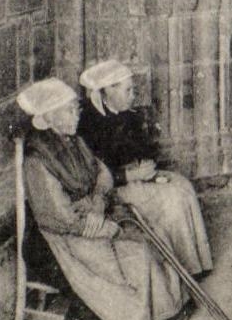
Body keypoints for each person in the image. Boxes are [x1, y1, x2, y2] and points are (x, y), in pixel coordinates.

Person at [18, 78, 191, 320]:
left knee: (146, 239)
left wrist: (99, 202)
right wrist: (96, 224)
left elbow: (103, 174)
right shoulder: (37, 159)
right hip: (63, 235)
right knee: (120, 258)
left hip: (92, 213)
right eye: (70, 111)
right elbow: (56, 214)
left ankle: (163, 312)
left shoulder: (75, 140)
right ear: (49, 117)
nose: (77, 116)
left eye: (76, 109)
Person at [77, 60, 213, 278]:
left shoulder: (129, 115)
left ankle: (195, 266)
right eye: (128, 91)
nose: (133, 96)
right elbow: (93, 174)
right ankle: (179, 270)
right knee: (172, 200)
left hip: (137, 176)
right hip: (113, 188)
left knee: (183, 187)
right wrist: (129, 175)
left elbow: (144, 150)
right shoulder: (88, 124)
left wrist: (145, 164)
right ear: (108, 91)